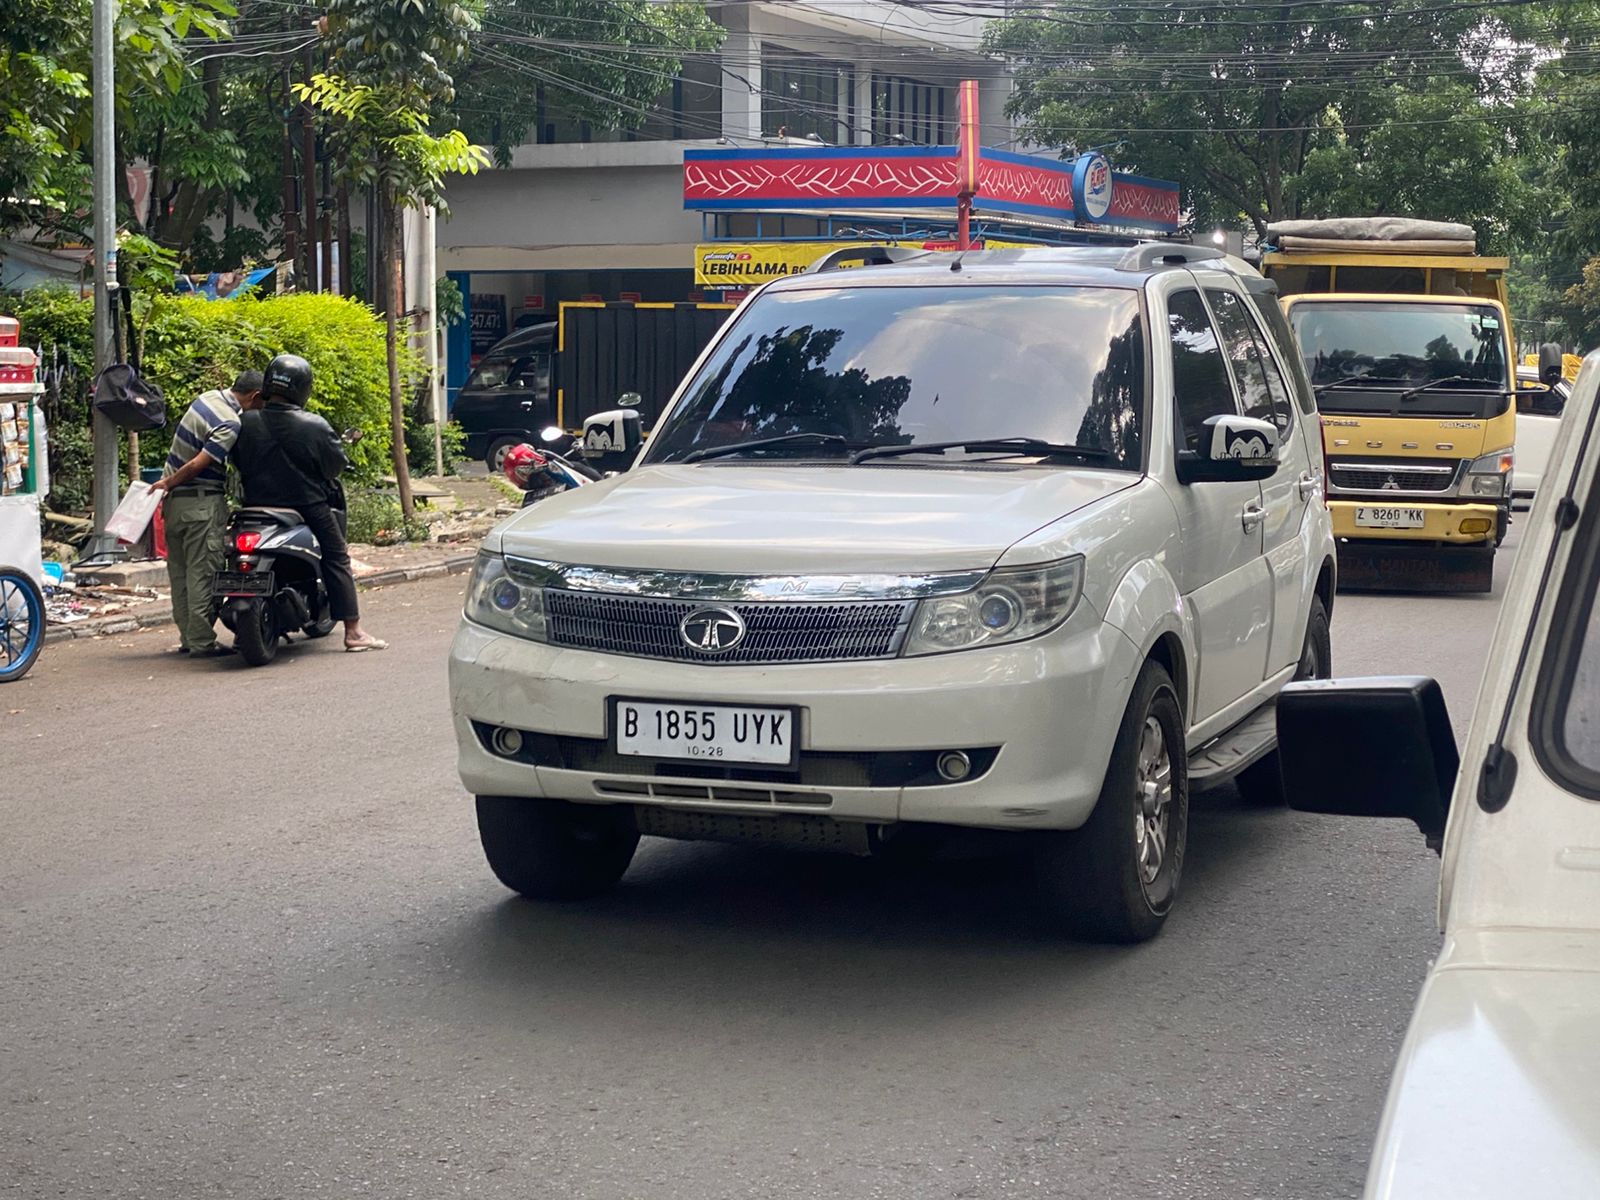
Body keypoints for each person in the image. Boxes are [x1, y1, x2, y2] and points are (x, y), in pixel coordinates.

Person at [230, 353, 387, 652]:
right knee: (337, 556)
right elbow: (334, 467)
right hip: (306, 507)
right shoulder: (314, 425)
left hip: (254, 507)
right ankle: (353, 631)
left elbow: (236, 459)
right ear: (303, 388)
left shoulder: (244, 421)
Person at [149, 369, 263, 657]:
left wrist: (168, 487)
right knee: (204, 574)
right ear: (256, 396)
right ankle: (201, 642)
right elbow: (200, 462)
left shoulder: (207, 399)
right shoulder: (230, 422)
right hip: (200, 504)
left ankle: (188, 638)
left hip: (174, 506)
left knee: (181, 575)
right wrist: (169, 481)